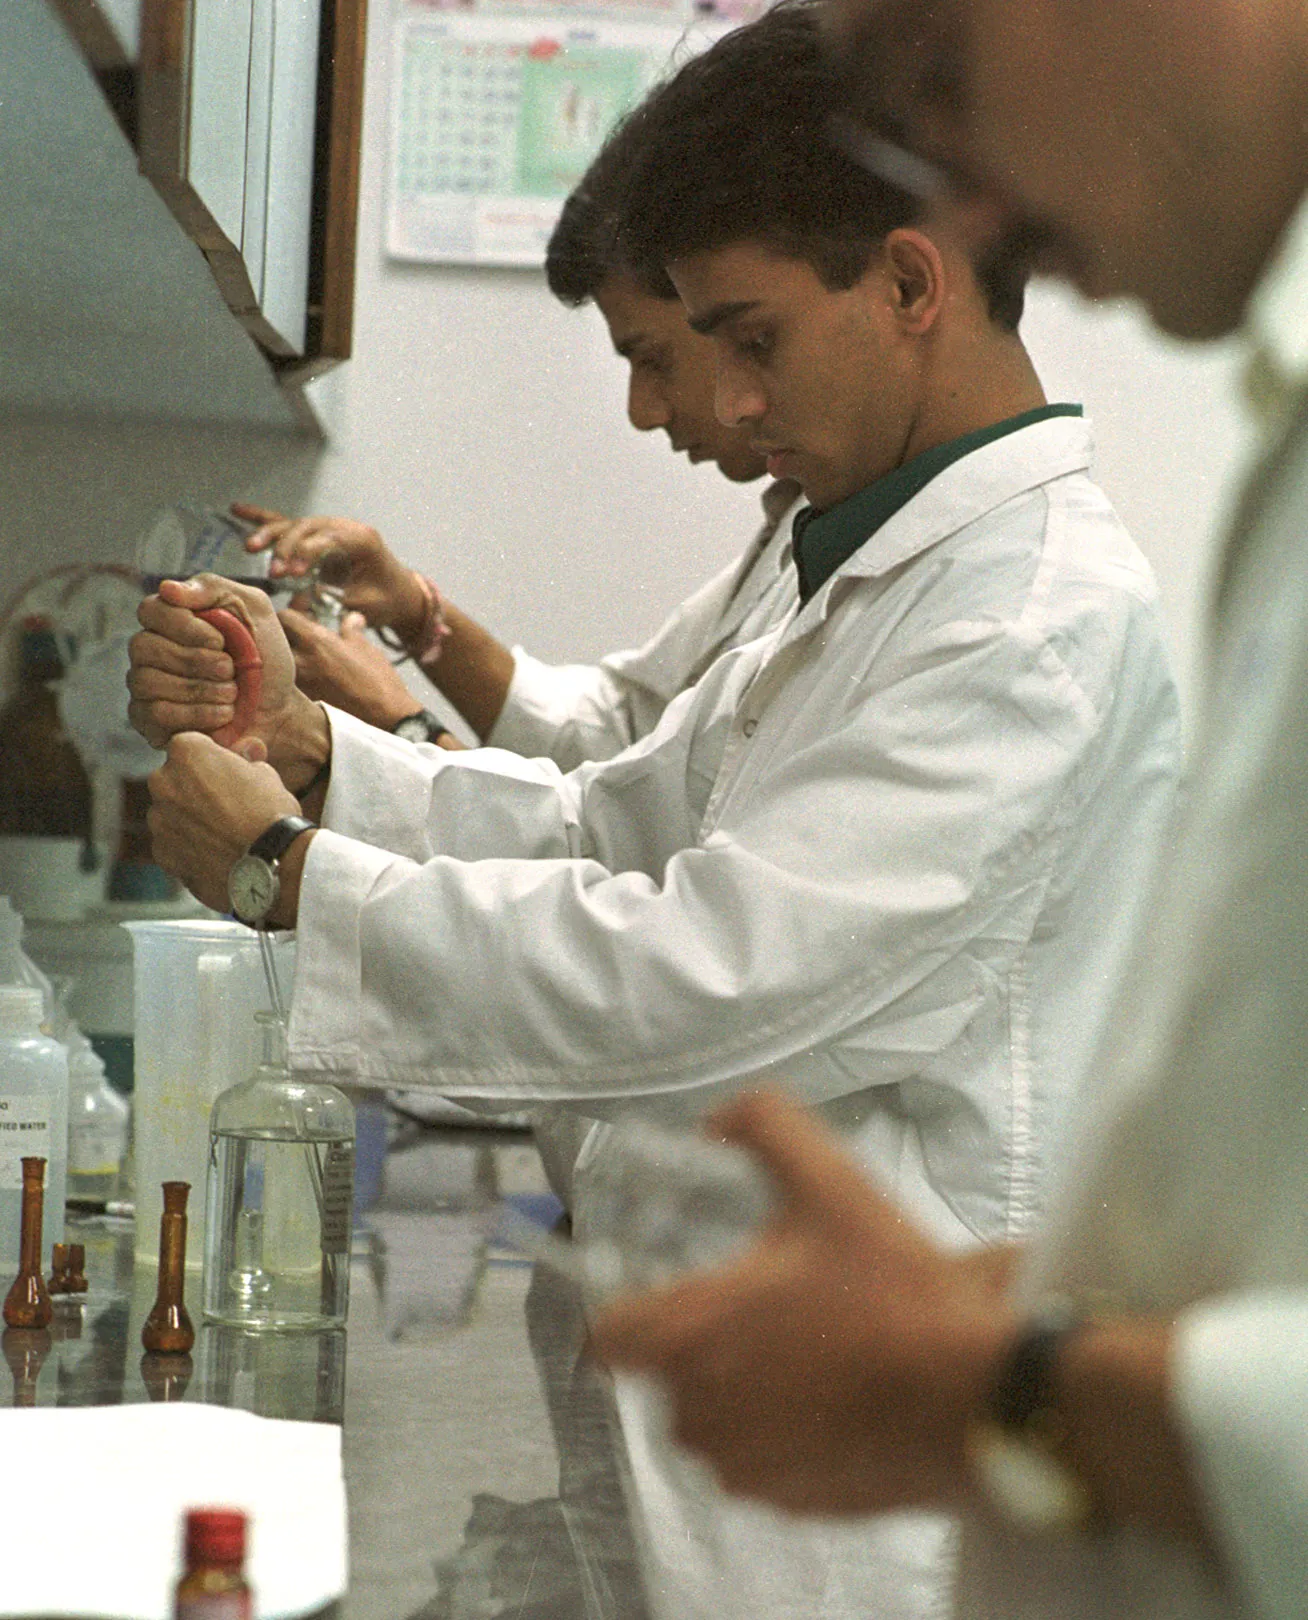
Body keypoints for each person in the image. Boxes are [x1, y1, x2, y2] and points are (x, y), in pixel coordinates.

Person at [128, 5, 1180, 1614]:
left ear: (912, 283)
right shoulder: (860, 548)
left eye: (746, 335)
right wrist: (325, 760)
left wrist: (289, 873)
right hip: (733, 1384)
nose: (720, 404)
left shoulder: (1030, 623)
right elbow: (614, 819)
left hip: (866, 1502)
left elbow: (714, 975)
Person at [591, 2, 1308, 1618]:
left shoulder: (1034, 609)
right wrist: (978, 1320)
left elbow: (718, 963)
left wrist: (989, 1384)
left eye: (935, 71)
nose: (968, 207)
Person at [233, 144, 801, 771]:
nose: (644, 412)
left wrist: (395, 721)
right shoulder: (797, 527)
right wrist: (418, 613)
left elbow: (622, 837)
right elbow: (619, 731)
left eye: (653, 357)